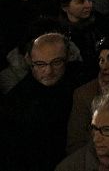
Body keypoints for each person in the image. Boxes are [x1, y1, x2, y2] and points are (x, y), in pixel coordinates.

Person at [1, 33, 82, 171]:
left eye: (56, 62)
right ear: (28, 60)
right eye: (39, 64)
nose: (48, 71)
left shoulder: (80, 79)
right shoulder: (16, 102)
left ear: (68, 57)